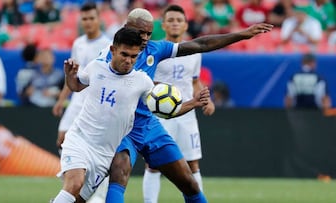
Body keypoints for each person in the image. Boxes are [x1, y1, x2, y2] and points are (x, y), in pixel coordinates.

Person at [98, 7, 273, 203]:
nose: (146, 37)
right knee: (119, 171)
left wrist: (241, 34)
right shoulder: (109, 55)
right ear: (127, 28)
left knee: (188, 181)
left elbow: (200, 44)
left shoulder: (156, 49)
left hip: (150, 125)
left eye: (148, 32)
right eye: (141, 33)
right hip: (123, 127)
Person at [51, 27, 210, 203]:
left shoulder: (142, 82)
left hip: (104, 154)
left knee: (77, 200)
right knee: (74, 184)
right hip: (80, 140)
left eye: (133, 57)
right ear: (113, 50)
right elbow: (76, 86)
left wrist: (193, 103)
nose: (128, 60)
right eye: (124, 54)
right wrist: (69, 76)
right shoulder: (97, 67)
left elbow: (165, 111)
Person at [142, 5, 215, 203]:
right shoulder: (156, 51)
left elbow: (194, 81)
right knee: (153, 164)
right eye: (171, 20)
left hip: (187, 115)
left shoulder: (194, 52)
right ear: (163, 25)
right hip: (159, 116)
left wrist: (206, 100)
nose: (175, 23)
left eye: (179, 20)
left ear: (185, 26)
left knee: (192, 164)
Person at [51, 3, 111, 202]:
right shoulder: (78, 43)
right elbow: (73, 76)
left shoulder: (108, 44)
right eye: (84, 19)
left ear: (98, 19)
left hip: (96, 102)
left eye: (91, 18)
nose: (88, 22)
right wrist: (61, 100)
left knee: (98, 148)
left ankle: (97, 194)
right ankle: (71, 187)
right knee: (62, 139)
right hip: (77, 99)